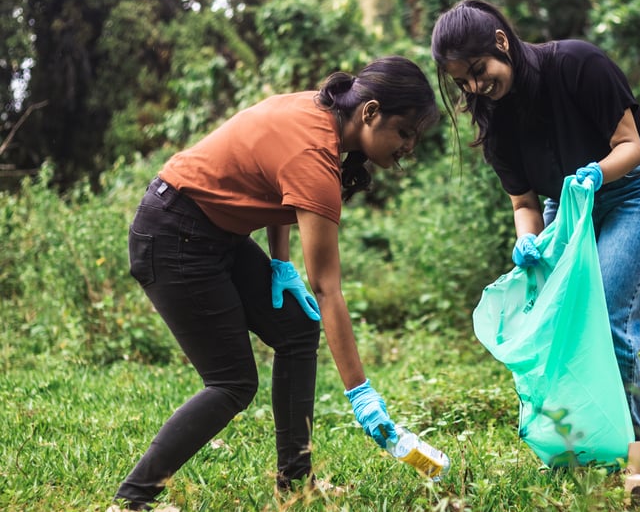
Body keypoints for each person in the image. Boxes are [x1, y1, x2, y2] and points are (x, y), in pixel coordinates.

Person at [109, 56, 440, 510]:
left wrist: (281, 265)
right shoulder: (315, 155)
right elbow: (328, 289)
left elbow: (277, 193)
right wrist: (361, 395)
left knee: (297, 330)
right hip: (175, 235)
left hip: (209, 231)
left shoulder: (319, 114)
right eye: (404, 132)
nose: (408, 147)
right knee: (231, 382)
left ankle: (294, 483)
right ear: (370, 112)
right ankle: (133, 498)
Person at [431, 0, 640, 443]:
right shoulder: (493, 119)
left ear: (501, 42)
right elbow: (524, 203)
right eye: (462, 81)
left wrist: (596, 173)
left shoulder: (577, 63)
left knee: (604, 315)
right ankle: (584, 439)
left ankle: (633, 446)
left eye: (477, 69)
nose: (474, 85)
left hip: (638, 187)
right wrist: (528, 241)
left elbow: (630, 146)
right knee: (558, 320)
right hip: (566, 205)